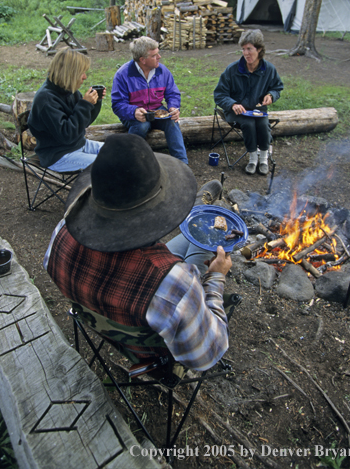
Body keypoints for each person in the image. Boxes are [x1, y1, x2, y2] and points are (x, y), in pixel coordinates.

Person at [44, 134, 233, 371]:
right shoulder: (175, 283)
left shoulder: (62, 232)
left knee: (191, 243)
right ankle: (202, 218)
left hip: (109, 327)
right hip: (157, 355)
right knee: (203, 250)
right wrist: (216, 278)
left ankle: (200, 217)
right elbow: (207, 355)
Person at [214, 29, 284, 175]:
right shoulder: (232, 70)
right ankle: (253, 160)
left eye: (249, 49)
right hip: (235, 112)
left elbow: (277, 87)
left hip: (257, 111)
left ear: (259, 49)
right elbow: (220, 94)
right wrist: (232, 104)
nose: (246, 53)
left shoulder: (269, 69)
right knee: (248, 123)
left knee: (264, 123)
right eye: (243, 49)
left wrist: (271, 95)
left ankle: (263, 159)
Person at [111, 36, 188, 164]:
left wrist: (173, 107)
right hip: (133, 114)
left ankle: (182, 164)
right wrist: (133, 111)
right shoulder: (122, 75)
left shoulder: (163, 71)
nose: (159, 57)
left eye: (158, 53)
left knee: (172, 122)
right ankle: (130, 161)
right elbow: (118, 104)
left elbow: (173, 93)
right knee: (142, 125)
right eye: (154, 55)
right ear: (143, 60)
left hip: (157, 110)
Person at [28, 47, 106, 172]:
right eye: (82, 72)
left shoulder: (69, 91)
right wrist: (85, 105)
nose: (85, 77)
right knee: (111, 163)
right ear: (70, 73)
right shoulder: (46, 99)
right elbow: (67, 135)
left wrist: (95, 103)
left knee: (119, 152)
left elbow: (83, 123)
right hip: (58, 155)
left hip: (78, 145)